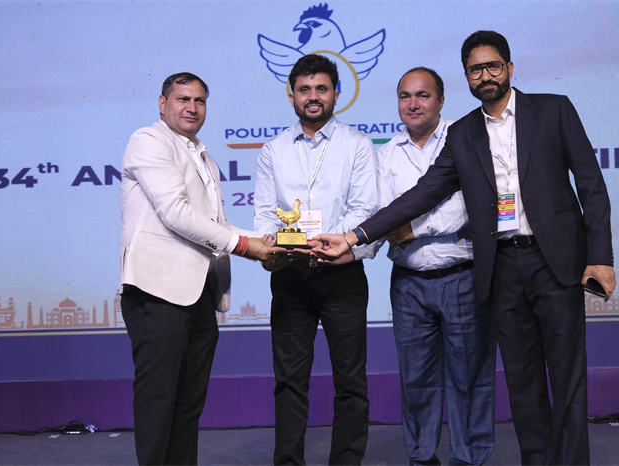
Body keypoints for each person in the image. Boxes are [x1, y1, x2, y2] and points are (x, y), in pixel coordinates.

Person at [313, 31, 616, 466]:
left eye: (493, 66)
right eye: (476, 69)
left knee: (568, 377)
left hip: (555, 263)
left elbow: (592, 187)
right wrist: (354, 235)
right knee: (522, 379)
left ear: (509, 68)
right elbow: (421, 195)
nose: (485, 75)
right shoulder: (463, 133)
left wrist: (600, 257)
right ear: (467, 77)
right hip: (501, 267)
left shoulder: (554, 109)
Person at [120, 72, 280, 466]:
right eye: (183, 99)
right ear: (163, 104)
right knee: (158, 400)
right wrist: (246, 246)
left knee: (189, 403)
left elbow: (217, 225)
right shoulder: (148, 140)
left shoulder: (204, 157)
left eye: (200, 100)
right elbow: (176, 214)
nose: (192, 107)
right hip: (158, 291)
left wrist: (270, 241)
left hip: (200, 293)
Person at [253, 54, 378, 466]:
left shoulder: (358, 145)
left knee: (351, 383)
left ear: (336, 94)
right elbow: (265, 215)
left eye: (321, 88)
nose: (312, 96)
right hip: (291, 275)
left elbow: (365, 210)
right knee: (289, 381)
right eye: (304, 89)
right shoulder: (273, 150)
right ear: (291, 95)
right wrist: (273, 243)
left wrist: (332, 243)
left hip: (342, 274)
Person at [372, 67, 496, 466]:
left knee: (470, 379)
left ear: (441, 100)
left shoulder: (467, 140)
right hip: (408, 283)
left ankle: (469, 460)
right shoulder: (384, 154)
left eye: (422, 95)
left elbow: (466, 208)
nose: (413, 104)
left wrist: (413, 227)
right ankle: (421, 458)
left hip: (463, 276)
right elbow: (383, 215)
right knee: (416, 382)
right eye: (405, 96)